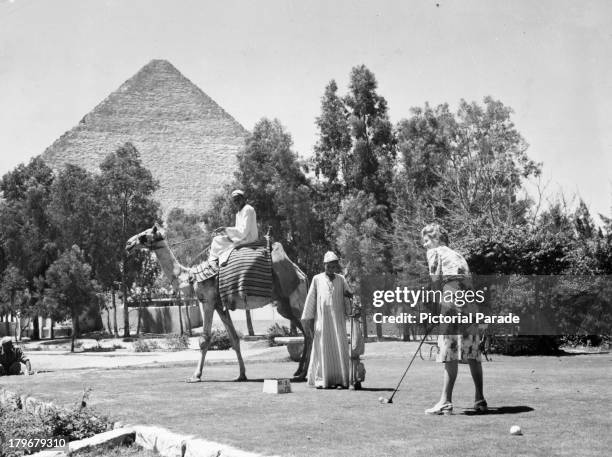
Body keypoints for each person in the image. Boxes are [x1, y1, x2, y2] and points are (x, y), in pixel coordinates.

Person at [421, 223, 487, 415]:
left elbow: (435, 281)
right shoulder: (458, 255)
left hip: (452, 299)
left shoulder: (435, 252)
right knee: (473, 352)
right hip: (469, 303)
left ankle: (445, 401)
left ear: (436, 239)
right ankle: (480, 399)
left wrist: (437, 308)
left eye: (426, 241)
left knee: (449, 351)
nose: (425, 245)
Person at [301, 251, 353, 389]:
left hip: (338, 322)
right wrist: (307, 319)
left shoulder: (341, 279)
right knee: (322, 349)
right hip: (322, 322)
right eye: (329, 265)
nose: (331, 268)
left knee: (339, 349)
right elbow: (311, 299)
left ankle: (341, 380)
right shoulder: (317, 279)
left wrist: (351, 306)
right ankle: (321, 380)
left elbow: (348, 296)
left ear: (336, 266)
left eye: (334, 265)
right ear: (324, 265)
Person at [208, 190, 258, 265]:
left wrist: (226, 229)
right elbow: (238, 230)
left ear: (243, 199)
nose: (236, 202)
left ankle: (215, 263)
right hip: (242, 237)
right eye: (235, 200)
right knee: (217, 239)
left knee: (217, 241)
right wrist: (224, 232)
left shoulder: (248, 209)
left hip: (248, 238)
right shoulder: (238, 213)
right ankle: (215, 261)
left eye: (238, 199)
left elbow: (243, 231)